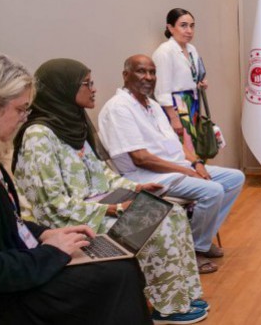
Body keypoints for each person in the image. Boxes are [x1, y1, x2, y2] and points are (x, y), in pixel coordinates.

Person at [11, 58, 208, 324]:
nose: (94, 89)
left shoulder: (74, 124)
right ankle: (167, 307)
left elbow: (101, 174)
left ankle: (182, 293)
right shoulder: (39, 135)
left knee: (171, 213)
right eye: (87, 83)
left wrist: (135, 187)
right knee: (155, 226)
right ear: (64, 87)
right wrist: (113, 208)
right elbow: (51, 204)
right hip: (68, 220)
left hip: (99, 205)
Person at [0, 51, 151, 325]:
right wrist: (51, 253)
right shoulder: (37, 136)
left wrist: (45, 234)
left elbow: (10, 224)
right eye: (20, 109)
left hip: (24, 262)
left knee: (122, 265)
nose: (24, 118)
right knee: (117, 276)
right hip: (2, 296)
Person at [98, 54, 244, 274]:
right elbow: (141, 158)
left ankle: (200, 239)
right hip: (148, 176)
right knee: (212, 191)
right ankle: (194, 250)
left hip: (175, 167)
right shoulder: (119, 108)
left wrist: (196, 163)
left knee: (235, 178)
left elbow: (175, 144)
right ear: (126, 75)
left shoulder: (152, 105)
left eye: (152, 72)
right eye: (141, 71)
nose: (148, 77)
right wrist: (186, 171)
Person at [152, 8, 209, 155]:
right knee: (182, 147)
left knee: (194, 145)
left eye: (192, 26)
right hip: (176, 105)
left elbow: (189, 76)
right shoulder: (164, 52)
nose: (189, 30)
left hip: (192, 103)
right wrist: (173, 118)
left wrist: (199, 83)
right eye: (183, 25)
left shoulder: (191, 49)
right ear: (170, 28)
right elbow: (161, 90)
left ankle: (198, 168)